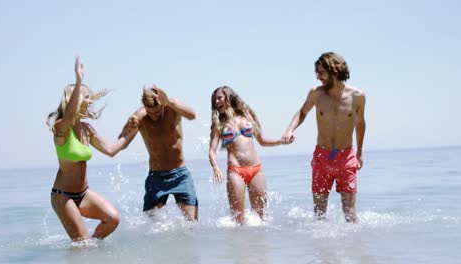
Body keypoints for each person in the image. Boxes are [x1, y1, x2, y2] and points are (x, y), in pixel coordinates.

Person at [47, 56, 136, 241]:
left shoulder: (87, 129)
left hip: (83, 193)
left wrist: (133, 129)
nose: (90, 101)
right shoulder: (61, 128)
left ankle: (90, 252)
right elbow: (70, 114)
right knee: (82, 244)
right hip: (63, 197)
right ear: (73, 99)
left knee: (112, 219)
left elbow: (112, 150)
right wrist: (79, 80)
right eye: (86, 98)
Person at [282, 52, 366, 223]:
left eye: (321, 72)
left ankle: (355, 248)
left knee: (350, 213)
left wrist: (359, 153)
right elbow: (302, 112)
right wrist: (290, 129)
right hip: (322, 158)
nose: (318, 77)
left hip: (346, 158)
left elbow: (360, 124)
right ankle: (322, 250)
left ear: (333, 70)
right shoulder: (316, 94)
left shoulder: (357, 96)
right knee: (319, 214)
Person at [208, 86, 287, 224]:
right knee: (237, 219)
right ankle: (239, 245)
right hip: (235, 171)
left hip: (256, 169)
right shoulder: (218, 124)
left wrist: (281, 141)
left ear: (228, 96)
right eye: (214, 100)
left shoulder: (247, 116)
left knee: (259, 219)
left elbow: (262, 141)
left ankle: (256, 246)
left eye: (219, 98)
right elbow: (212, 151)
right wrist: (215, 167)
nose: (216, 102)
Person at [121, 85, 199, 221]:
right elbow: (122, 142)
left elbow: (192, 115)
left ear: (163, 104)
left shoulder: (172, 106)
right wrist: (127, 126)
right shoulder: (140, 116)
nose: (153, 116)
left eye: (157, 112)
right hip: (156, 177)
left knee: (192, 223)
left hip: (180, 174)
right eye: (149, 112)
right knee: (150, 225)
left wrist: (168, 102)